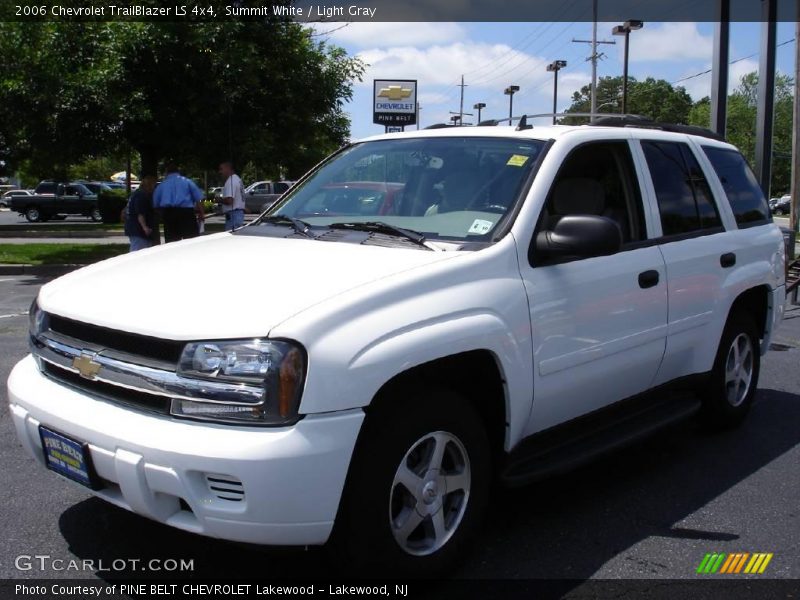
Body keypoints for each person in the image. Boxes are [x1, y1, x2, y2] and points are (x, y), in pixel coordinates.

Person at [152, 162, 205, 242]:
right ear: (178, 171)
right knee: (191, 241)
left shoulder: (161, 185)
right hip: (187, 213)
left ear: (166, 172)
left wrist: (162, 214)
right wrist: (202, 213)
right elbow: (199, 198)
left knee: (172, 242)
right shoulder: (187, 182)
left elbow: (155, 204)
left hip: (169, 214)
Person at [124, 175, 158, 252]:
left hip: (133, 227)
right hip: (138, 230)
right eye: (154, 185)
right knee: (138, 252)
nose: (155, 188)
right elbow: (140, 213)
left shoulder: (136, 194)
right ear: (150, 185)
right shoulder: (142, 195)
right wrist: (145, 227)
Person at [219, 161, 246, 231]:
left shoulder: (231, 181)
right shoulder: (238, 179)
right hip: (238, 214)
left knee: (230, 238)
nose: (220, 172)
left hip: (233, 216)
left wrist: (218, 200)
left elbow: (229, 200)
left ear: (228, 168)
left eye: (221, 169)